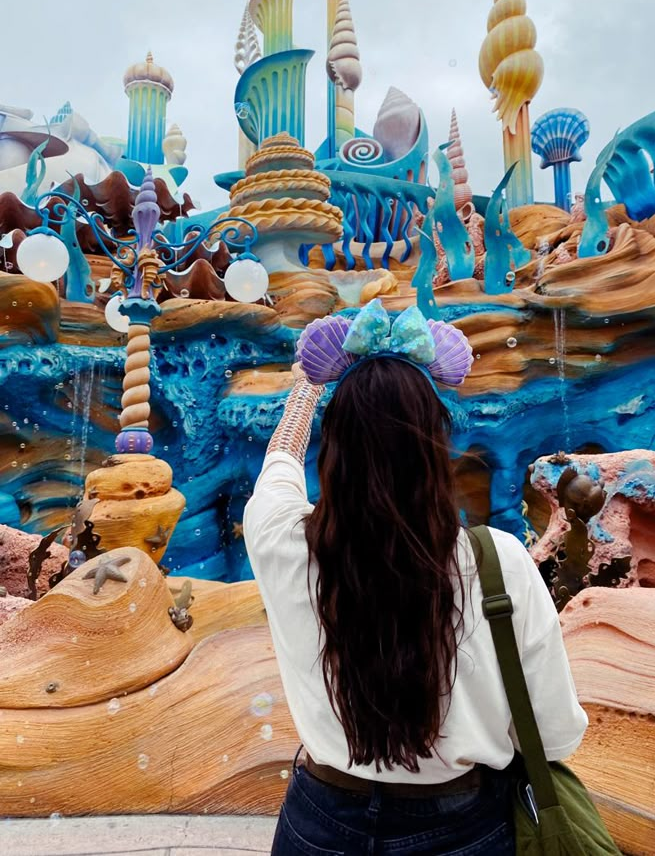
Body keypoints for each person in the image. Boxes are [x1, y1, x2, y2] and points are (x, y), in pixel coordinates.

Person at [243, 300, 588, 856]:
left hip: (321, 822)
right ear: (436, 449)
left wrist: (308, 385)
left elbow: (279, 463)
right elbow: (554, 735)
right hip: (463, 826)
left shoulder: (280, 541)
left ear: (334, 448)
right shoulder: (498, 561)